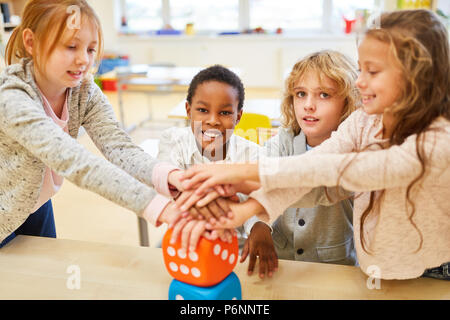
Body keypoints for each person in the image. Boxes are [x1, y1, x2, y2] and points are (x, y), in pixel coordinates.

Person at [178, 10, 450, 280]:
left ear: (417, 76)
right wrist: (248, 209)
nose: (359, 81)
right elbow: (315, 173)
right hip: (380, 268)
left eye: (373, 71)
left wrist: (246, 174)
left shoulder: (439, 140)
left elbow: (355, 169)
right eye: (360, 68)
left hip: (432, 270)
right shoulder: (362, 123)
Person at [0, 0, 222, 248]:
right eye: (71, 46)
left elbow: (119, 147)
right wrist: (159, 208)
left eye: (91, 49)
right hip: (3, 213)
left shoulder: (83, 91)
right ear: (31, 43)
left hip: (36, 204)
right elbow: (74, 161)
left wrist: (171, 176)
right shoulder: (12, 96)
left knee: (44, 278)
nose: (83, 60)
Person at [240, 50, 360, 279]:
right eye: (301, 94)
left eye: (324, 95)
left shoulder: (352, 149)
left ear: (347, 103)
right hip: (281, 264)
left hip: (335, 268)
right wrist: (258, 225)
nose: (308, 105)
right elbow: (255, 187)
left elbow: (313, 186)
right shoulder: (283, 141)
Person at [157, 65, 263, 252]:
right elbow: (163, 188)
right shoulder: (172, 141)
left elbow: (258, 204)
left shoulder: (252, 155)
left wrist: (258, 228)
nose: (213, 120)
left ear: (238, 116)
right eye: (203, 110)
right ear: (188, 110)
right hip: (187, 243)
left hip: (235, 247)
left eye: (224, 113)